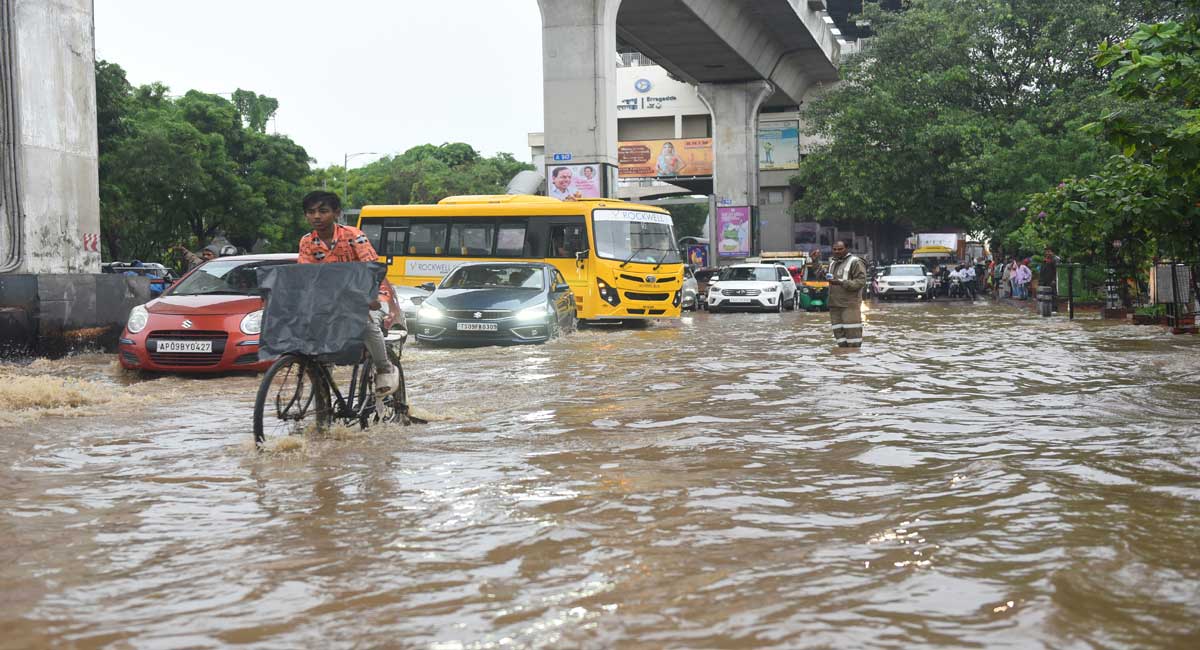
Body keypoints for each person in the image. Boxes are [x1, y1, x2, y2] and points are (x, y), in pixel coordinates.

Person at [298, 190, 401, 396]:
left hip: (370, 293)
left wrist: (369, 297)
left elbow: (372, 268)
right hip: (334, 298)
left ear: (336, 213)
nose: (316, 216)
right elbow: (305, 275)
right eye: (311, 212)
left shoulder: (354, 236)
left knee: (364, 323)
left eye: (323, 211)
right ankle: (322, 379)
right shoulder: (307, 242)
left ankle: (384, 367)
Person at [825, 240, 869, 348]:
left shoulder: (855, 262)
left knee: (853, 337)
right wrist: (815, 261)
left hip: (849, 305)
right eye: (835, 249)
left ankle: (853, 362)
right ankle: (842, 360)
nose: (837, 251)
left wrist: (840, 282)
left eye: (840, 249)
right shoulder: (832, 263)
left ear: (846, 249)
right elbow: (823, 276)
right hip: (835, 305)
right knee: (839, 337)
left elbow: (860, 282)